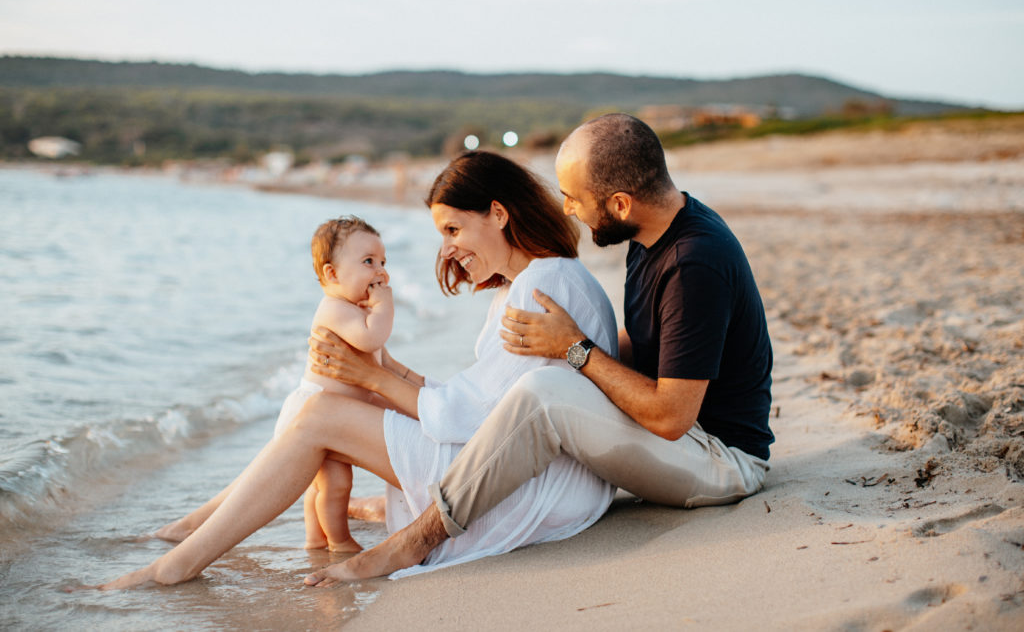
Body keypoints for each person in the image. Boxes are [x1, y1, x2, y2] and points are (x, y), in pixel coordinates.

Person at [99, 150, 618, 589]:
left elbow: (475, 420)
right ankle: (194, 526)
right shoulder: (543, 280)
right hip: (542, 478)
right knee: (336, 405)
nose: (448, 249)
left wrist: (373, 377)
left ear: (499, 214)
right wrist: (387, 369)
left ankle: (177, 563)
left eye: (453, 228)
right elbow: (487, 401)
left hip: (528, 490)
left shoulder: (541, 287)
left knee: (322, 413)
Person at [306, 113, 774, 583]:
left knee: (545, 391)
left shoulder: (693, 264)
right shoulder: (652, 236)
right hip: (680, 440)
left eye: (576, 198)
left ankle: (413, 542)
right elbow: (657, 346)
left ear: (621, 203)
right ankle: (413, 505)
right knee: (545, 387)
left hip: (721, 460)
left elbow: (672, 417)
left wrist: (575, 349)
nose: (567, 209)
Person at [153, 216, 392, 553]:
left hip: (327, 414)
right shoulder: (335, 308)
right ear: (332, 274)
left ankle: (315, 539)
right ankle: (339, 541)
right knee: (336, 484)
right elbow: (371, 340)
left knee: (321, 485)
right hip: (312, 412)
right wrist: (384, 307)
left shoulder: (353, 309)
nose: (380, 272)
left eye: (383, 262)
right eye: (368, 262)